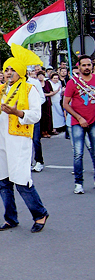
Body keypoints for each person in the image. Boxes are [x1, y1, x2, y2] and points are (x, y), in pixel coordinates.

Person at [0, 43, 49, 233]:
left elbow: (36, 115)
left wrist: (17, 112)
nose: (8, 72)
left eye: (12, 69)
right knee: (3, 181)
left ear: (20, 72)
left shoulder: (29, 89)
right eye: (6, 69)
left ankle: (40, 213)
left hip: (18, 141)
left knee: (21, 180)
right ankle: (11, 218)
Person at [63, 55, 95, 194]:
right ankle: (78, 183)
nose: (86, 67)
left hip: (94, 121)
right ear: (79, 67)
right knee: (78, 153)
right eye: (84, 65)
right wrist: (79, 118)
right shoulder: (72, 83)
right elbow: (65, 104)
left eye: (89, 65)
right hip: (77, 122)